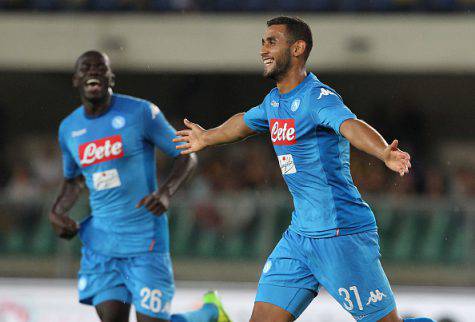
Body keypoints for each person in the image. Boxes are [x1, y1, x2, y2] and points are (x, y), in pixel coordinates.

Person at [173, 17, 435, 322]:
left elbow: (350, 125)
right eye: (263, 41)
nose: (263, 49)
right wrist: (205, 136)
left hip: (341, 233)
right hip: (301, 236)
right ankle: (213, 314)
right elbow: (243, 123)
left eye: (272, 41)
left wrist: (382, 152)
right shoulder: (274, 102)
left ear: (298, 48)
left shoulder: (317, 97)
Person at [49, 50, 231, 322]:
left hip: (144, 240)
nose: (93, 71)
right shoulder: (69, 128)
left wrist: (166, 192)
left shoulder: (141, 112)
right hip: (101, 245)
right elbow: (74, 179)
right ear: (76, 80)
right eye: (86, 67)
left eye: (100, 67)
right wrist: (57, 212)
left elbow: (187, 153)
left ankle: (209, 314)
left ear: (111, 77)